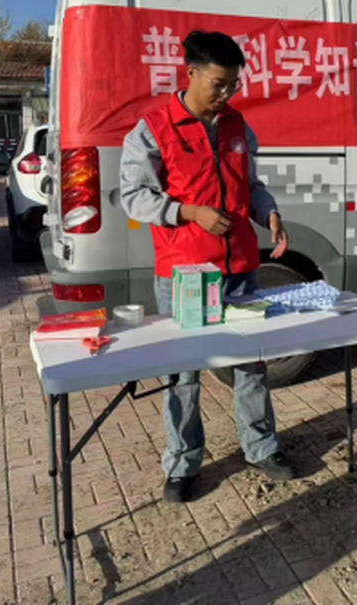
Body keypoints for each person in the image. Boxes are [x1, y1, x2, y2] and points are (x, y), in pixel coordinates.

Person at [120, 30, 293, 503]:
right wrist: (189, 213)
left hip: (240, 269)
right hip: (186, 274)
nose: (226, 93)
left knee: (251, 363)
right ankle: (182, 463)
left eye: (233, 84)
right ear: (191, 74)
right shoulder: (154, 128)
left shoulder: (237, 125)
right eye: (218, 84)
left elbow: (250, 186)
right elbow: (133, 197)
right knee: (183, 373)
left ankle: (261, 447)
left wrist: (269, 213)